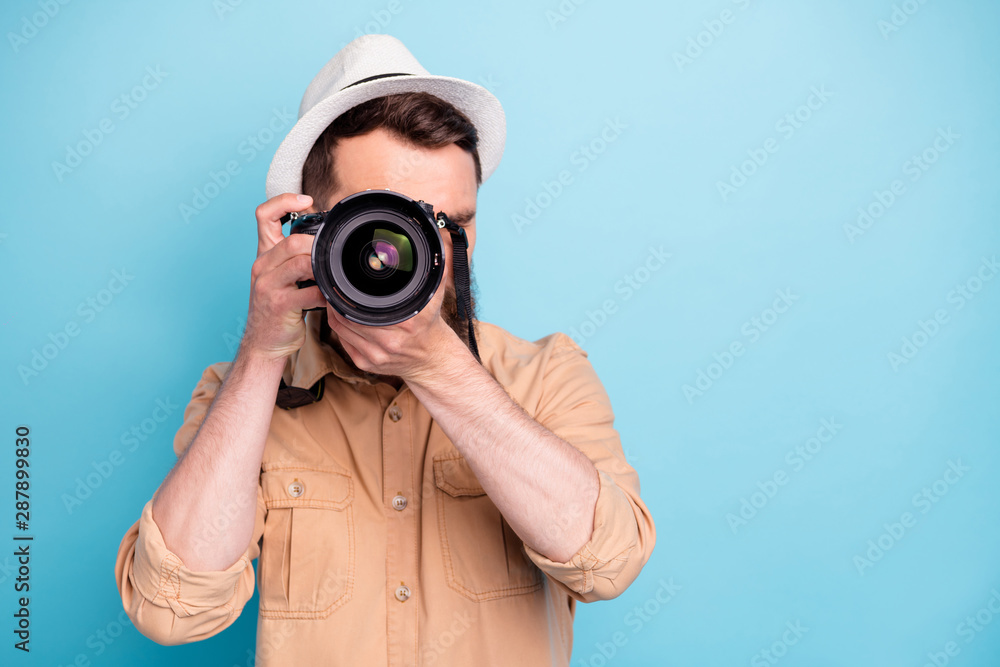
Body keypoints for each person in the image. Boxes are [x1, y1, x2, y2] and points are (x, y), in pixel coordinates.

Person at [114, 34, 655, 667]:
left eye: (452, 223)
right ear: (311, 229)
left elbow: (608, 563)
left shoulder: (546, 376)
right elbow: (170, 609)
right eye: (391, 224)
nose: (430, 255)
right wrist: (263, 351)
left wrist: (441, 368)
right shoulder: (242, 395)